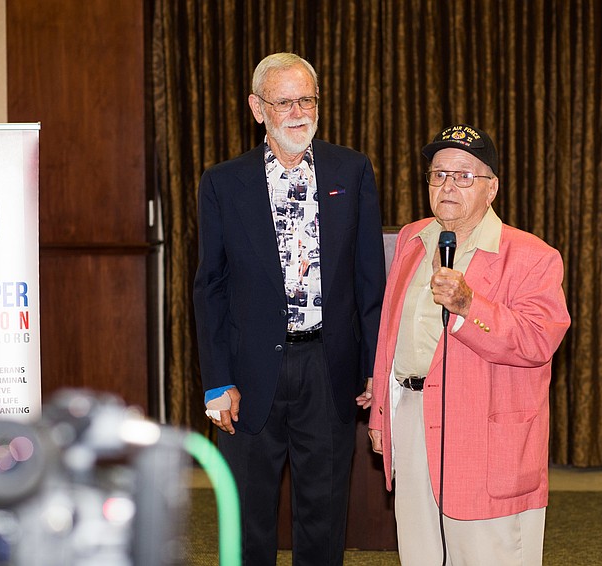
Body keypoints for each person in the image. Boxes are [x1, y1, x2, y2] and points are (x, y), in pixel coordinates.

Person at [193, 52, 386, 565]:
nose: (299, 112)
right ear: (258, 109)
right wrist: (217, 380)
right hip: (249, 374)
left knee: (323, 517)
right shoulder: (222, 182)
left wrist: (374, 365)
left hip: (328, 367)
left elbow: (370, 280)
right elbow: (210, 287)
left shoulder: (352, 170)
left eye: (307, 100)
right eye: (285, 102)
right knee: (248, 519)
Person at [366, 124, 571, 565]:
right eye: (438, 174)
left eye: (464, 176)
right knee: (420, 553)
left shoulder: (532, 255)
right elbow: (391, 331)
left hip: (486, 434)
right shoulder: (412, 240)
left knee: (488, 555)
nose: (448, 186)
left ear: (491, 188)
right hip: (412, 419)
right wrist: (381, 412)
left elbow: (538, 340)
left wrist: (468, 306)